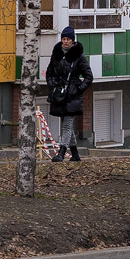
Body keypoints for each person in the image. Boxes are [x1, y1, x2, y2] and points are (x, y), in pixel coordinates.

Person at [46, 26, 93, 162]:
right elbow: (49, 73)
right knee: (67, 125)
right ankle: (75, 154)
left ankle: (61, 153)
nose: (66, 42)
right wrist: (52, 85)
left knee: (67, 125)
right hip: (59, 95)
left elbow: (89, 77)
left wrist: (78, 89)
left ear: (73, 41)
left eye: (68, 39)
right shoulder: (56, 55)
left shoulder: (79, 57)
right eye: (64, 39)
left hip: (72, 96)